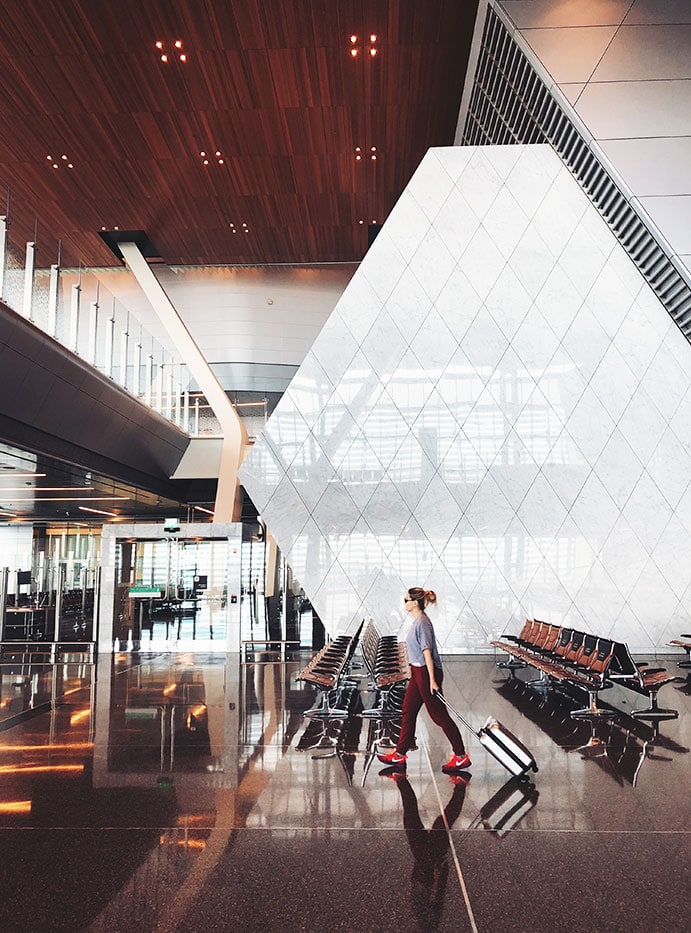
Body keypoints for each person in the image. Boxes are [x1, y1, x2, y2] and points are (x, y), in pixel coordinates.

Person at [378, 587, 471, 773]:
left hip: (426, 674)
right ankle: (400, 754)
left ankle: (461, 756)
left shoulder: (423, 623)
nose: (404, 603)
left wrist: (432, 680)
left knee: (439, 716)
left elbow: (426, 652)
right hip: (417, 672)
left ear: (415, 602)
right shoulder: (417, 622)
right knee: (408, 710)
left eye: (406, 600)